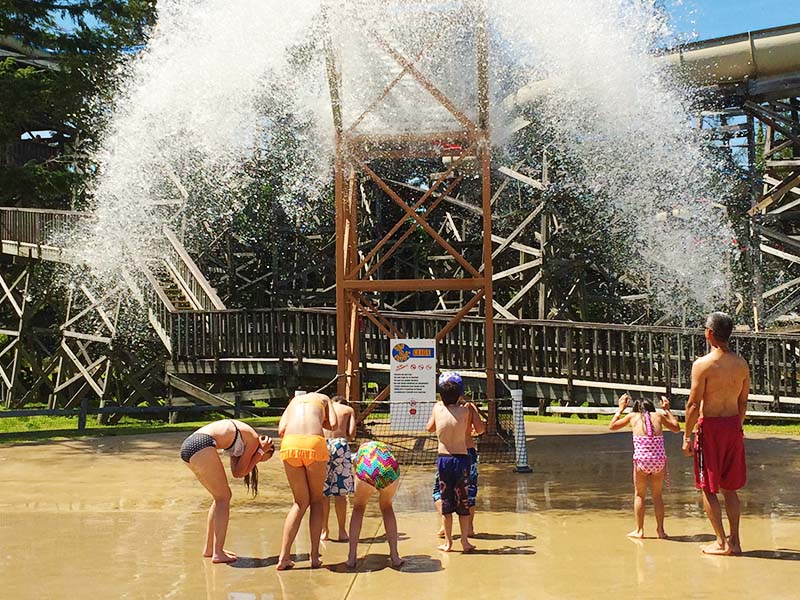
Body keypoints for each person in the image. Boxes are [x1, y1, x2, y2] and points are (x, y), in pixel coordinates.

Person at [682, 312, 750, 555]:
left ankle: (721, 542)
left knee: (708, 488)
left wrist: (687, 436)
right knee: (730, 488)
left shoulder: (703, 365)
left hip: (710, 426)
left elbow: (692, 404)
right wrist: (737, 427)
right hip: (733, 425)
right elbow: (743, 402)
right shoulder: (741, 364)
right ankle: (736, 541)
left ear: (709, 333)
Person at [180, 419, 274, 563]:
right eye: (261, 458)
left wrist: (259, 453)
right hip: (201, 444)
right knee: (224, 497)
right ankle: (218, 552)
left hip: (189, 445)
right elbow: (242, 471)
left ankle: (210, 549)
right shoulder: (254, 439)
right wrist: (260, 452)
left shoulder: (241, 441)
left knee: (219, 497)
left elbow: (237, 473)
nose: (257, 460)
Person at [277, 391, 337, 570]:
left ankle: (284, 557)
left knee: (299, 502)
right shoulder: (324, 399)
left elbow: (281, 430)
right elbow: (333, 424)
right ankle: (314, 556)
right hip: (314, 444)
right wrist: (321, 420)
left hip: (290, 445)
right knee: (316, 500)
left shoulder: (293, 401)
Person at [609, 393, 681, 538]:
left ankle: (640, 530)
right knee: (657, 496)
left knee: (639, 495)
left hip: (642, 461)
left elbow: (612, 426)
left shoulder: (633, 417)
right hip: (658, 461)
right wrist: (667, 409)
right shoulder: (658, 416)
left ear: (635, 408)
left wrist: (620, 409)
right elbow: (676, 428)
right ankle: (661, 531)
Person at [432, 372, 485, 538]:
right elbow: (481, 429)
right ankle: (468, 527)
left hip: (446, 454)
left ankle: (444, 524)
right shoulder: (468, 408)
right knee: (469, 490)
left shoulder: (440, 407)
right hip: (467, 452)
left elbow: (430, 427)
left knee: (440, 490)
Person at [426, 379, 476, 553]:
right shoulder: (465, 409)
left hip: (444, 459)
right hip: (462, 459)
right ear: (459, 395)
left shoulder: (437, 409)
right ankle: (464, 541)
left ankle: (448, 542)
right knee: (463, 501)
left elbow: (429, 428)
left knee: (446, 501)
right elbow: (477, 427)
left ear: (441, 396)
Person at [346, 440, 404, 569]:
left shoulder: (359, 453)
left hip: (367, 468)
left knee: (358, 508)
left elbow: (356, 469)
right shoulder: (386, 448)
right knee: (387, 507)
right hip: (388, 468)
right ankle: (395, 556)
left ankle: (351, 557)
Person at [321, 395, 357, 542]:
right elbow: (352, 433)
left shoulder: (324, 408)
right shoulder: (348, 409)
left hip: (321, 444)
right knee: (340, 492)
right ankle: (342, 531)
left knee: (323, 492)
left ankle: (324, 531)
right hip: (340, 445)